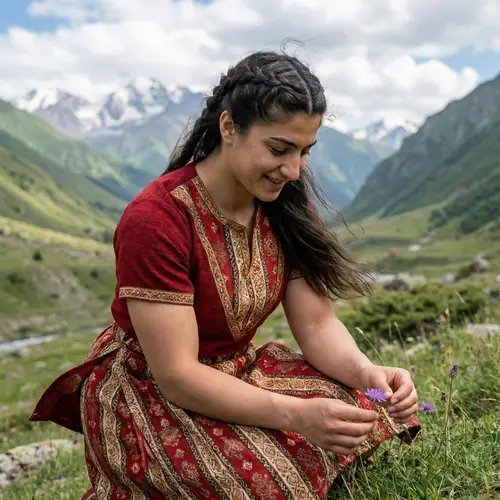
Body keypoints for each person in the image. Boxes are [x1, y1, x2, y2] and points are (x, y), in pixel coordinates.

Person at [30, 50, 421, 499]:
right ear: (229, 127)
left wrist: (366, 375)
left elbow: (315, 323)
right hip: (156, 389)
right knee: (268, 480)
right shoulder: (156, 219)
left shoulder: (284, 204)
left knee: (368, 408)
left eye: (304, 152)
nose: (293, 170)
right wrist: (297, 416)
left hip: (240, 369)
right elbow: (177, 374)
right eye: (279, 149)